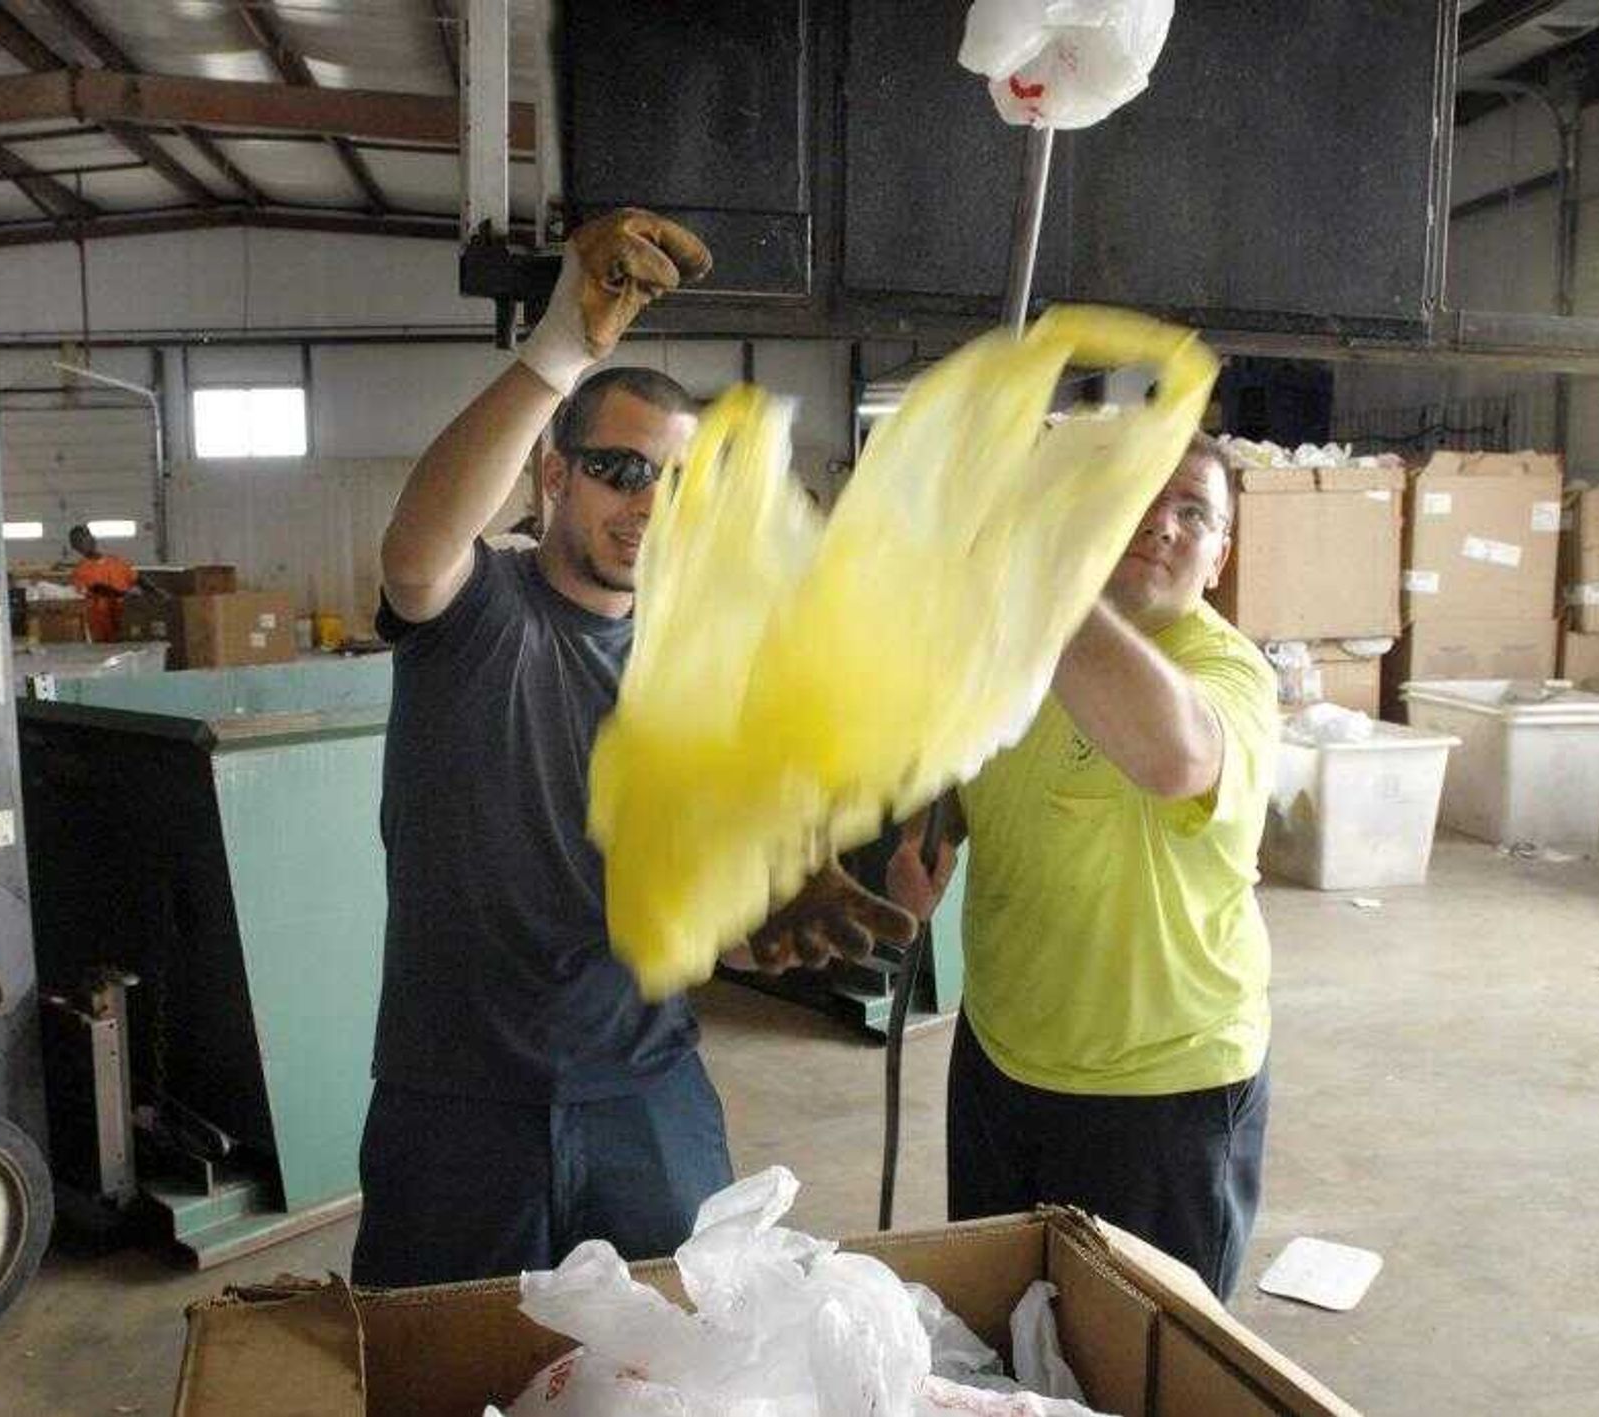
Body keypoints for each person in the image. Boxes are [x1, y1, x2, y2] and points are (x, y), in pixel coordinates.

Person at [352, 209, 911, 1289]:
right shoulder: (484, 613)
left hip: (643, 1091)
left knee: (679, 1367)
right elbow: (415, 553)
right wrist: (560, 346)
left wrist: (761, 923)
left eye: (672, 481)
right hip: (457, 1098)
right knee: (436, 1369)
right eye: (616, 468)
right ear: (554, 479)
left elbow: (709, 924)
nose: (645, 501)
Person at [888, 434, 1277, 1301]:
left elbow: (1176, 757)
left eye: (1194, 514)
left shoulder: (1230, 673)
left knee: (1142, 1364)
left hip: (1162, 1090)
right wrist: (925, 840)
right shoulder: (1007, 654)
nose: (1164, 526)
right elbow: (955, 780)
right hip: (1001, 1062)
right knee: (999, 1342)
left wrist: (1041, 570)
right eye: (1142, 501)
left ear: (1220, 557)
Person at [66, 524, 137, 643]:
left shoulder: (116, 561)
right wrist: (123, 594)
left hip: (125, 619)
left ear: (93, 539)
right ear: (74, 547)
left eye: (86, 537)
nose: (85, 542)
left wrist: (155, 592)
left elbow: (135, 578)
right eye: (79, 541)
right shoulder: (80, 571)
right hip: (101, 625)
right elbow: (97, 589)